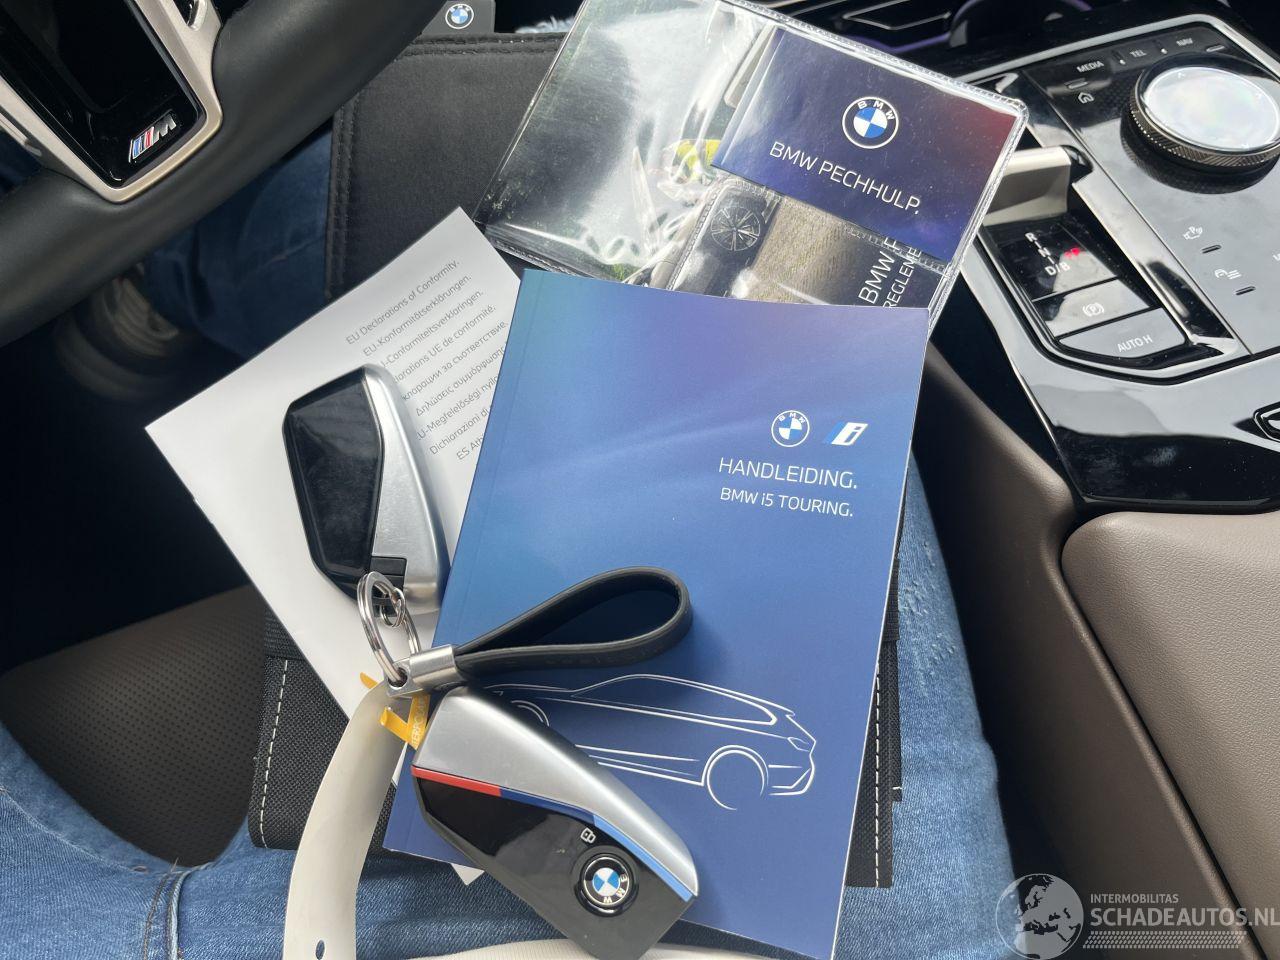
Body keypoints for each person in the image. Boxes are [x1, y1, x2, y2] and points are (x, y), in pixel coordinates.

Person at [0, 127, 1015, 959]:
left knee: (368, 184)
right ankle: (160, 254)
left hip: (400, 905)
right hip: (850, 908)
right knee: (678, 226)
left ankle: (154, 254)